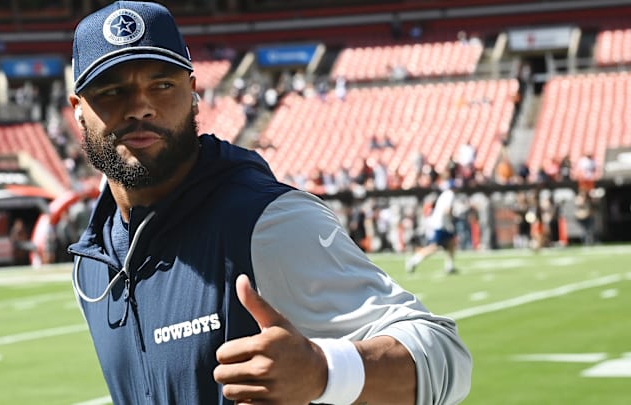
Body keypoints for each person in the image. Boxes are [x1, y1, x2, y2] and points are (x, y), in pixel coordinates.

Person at [67, 2, 472, 404]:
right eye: (113, 91)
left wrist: (325, 372)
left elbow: (445, 357)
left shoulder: (266, 221)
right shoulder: (93, 260)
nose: (140, 106)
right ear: (77, 111)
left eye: (162, 85)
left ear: (193, 93)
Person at [405, 173, 459, 275]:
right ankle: (413, 261)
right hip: (441, 225)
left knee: (451, 243)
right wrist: (453, 218)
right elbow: (447, 211)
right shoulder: (450, 194)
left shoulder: (445, 194)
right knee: (434, 247)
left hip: (442, 224)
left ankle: (450, 266)